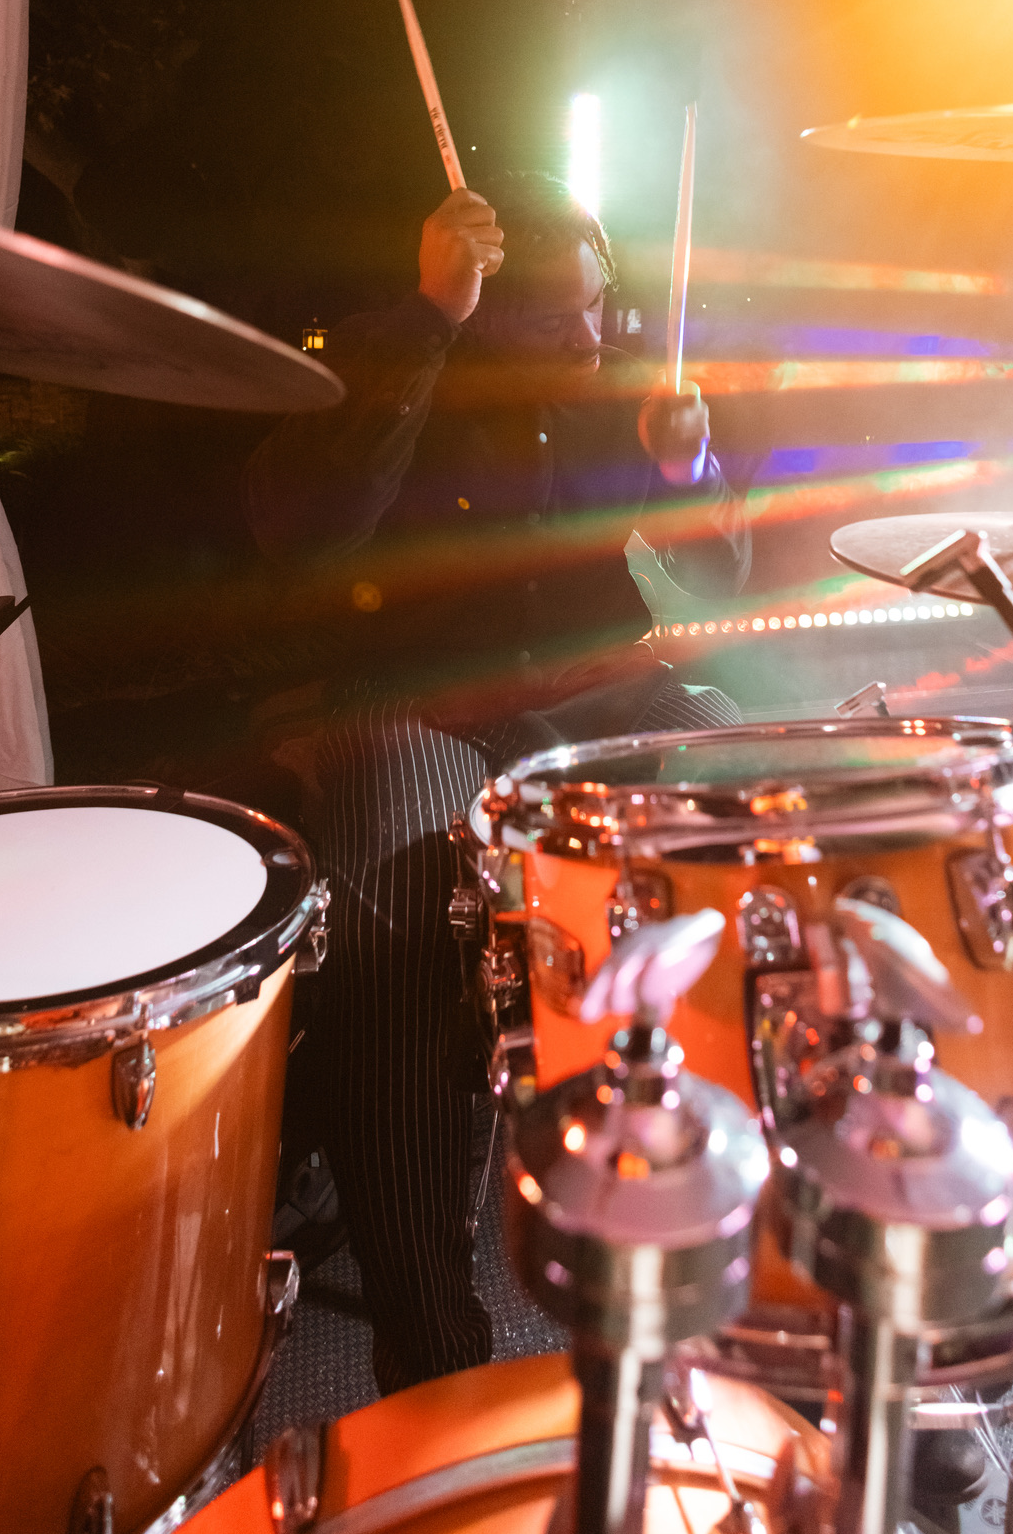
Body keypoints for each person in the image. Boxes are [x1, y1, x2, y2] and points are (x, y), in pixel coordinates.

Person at [242, 173, 751, 1393]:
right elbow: (308, 528)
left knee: (737, 797)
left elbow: (722, 575)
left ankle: (733, 1280)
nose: (591, 335)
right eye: (556, 318)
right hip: (419, 696)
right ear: (480, 309)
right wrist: (427, 327)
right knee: (407, 910)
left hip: (593, 692)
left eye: (597, 306)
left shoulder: (623, 383)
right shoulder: (385, 357)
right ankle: (432, 1351)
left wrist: (689, 468)